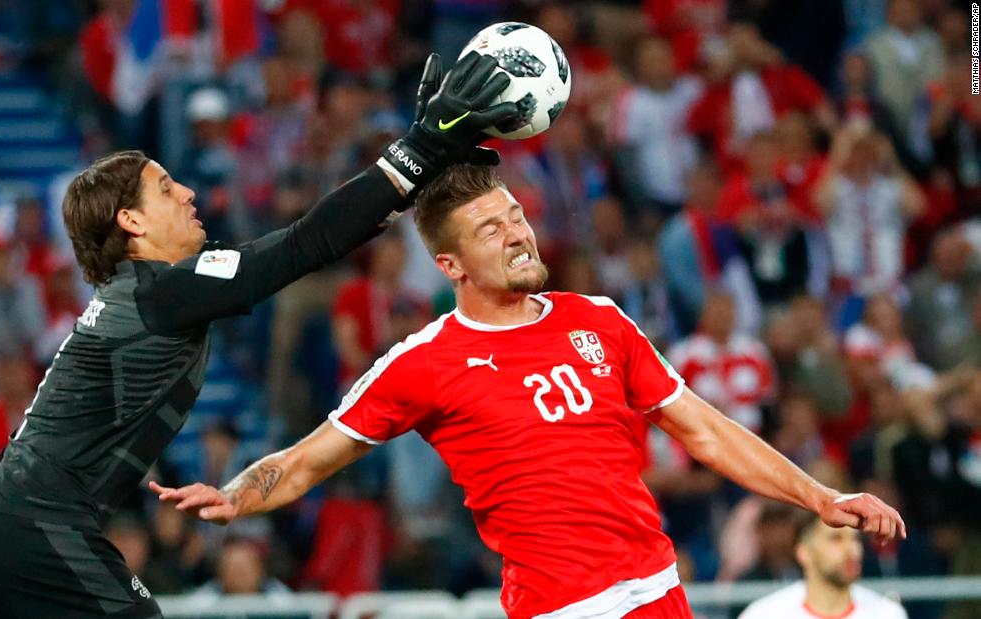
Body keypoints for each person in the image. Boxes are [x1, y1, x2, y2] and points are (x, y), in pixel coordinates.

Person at [152, 164, 906, 619]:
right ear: (451, 264)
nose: (517, 232)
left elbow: (704, 430)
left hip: (657, 590)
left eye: (515, 214)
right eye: (490, 228)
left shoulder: (600, 321)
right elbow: (310, 459)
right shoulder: (424, 361)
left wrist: (820, 498)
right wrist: (240, 495)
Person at [0, 51, 519, 619]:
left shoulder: (136, 297)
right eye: (164, 188)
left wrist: (417, 166)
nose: (186, 192)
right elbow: (306, 243)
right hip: (36, 527)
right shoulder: (164, 289)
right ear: (130, 223)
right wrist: (416, 152)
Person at [738, 515, 907, 618]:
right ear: (804, 552)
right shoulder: (765, 615)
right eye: (836, 539)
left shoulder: (887, 614)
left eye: (855, 539)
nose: (852, 550)